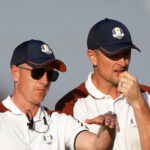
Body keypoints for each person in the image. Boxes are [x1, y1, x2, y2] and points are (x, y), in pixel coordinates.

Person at [0, 39, 119, 150]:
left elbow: (97, 146)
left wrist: (108, 127)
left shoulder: (59, 121)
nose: (45, 81)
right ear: (16, 73)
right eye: (38, 72)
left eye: (51, 74)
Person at [55, 18, 150, 150]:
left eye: (127, 54)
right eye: (115, 55)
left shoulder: (147, 95)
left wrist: (139, 104)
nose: (123, 63)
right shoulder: (70, 105)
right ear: (93, 57)